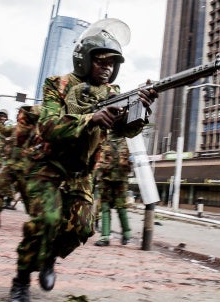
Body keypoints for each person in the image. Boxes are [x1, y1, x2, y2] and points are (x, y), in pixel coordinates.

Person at [9, 18, 158, 302]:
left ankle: (50, 256)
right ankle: (22, 278)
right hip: (48, 166)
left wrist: (143, 107)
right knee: (47, 221)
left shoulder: (113, 94)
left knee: (82, 227)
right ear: (85, 60)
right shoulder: (58, 85)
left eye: (113, 64)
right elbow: (49, 126)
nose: (108, 68)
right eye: (101, 62)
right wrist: (90, 118)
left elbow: (125, 128)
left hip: (81, 172)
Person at [0, 105, 41, 229]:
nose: (19, 115)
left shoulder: (36, 131)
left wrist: (29, 151)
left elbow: (40, 147)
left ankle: (36, 223)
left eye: (22, 114)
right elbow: (4, 131)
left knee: (28, 197)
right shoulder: (15, 128)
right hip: (10, 166)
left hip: (24, 169)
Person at [94, 134, 132, 246]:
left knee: (121, 208)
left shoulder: (127, 142)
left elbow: (130, 163)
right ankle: (105, 237)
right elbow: (99, 160)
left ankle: (126, 234)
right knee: (105, 207)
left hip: (121, 180)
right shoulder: (104, 140)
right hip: (106, 180)